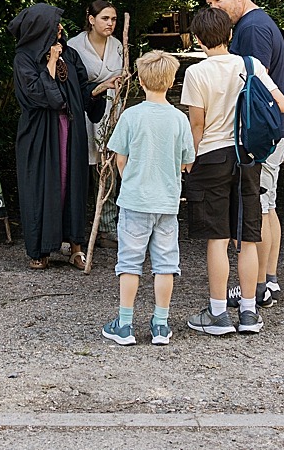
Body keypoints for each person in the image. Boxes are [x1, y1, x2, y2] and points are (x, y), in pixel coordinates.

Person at [179, 6, 284, 335]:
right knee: (247, 239)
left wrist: (188, 158)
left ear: (198, 39)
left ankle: (217, 315)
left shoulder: (197, 74)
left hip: (212, 157)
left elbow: (196, 124)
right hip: (248, 157)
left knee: (218, 239)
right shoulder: (249, 64)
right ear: (230, 34)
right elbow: (280, 104)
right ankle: (250, 313)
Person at [202, 0, 284, 307]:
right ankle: (268, 277)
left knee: (259, 208)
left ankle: (258, 285)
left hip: (262, 133)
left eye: (218, 0)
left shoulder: (252, 28)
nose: (216, 8)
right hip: (270, 130)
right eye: (211, 3)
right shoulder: (254, 23)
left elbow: (255, 86)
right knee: (267, 205)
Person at [100, 50, 195, 347]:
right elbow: (186, 161)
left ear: (140, 80)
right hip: (166, 203)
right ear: (171, 81)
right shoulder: (180, 119)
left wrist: (131, 178)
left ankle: (125, 324)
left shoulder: (131, 116)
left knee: (129, 262)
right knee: (165, 264)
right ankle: (160, 325)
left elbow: (120, 158)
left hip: (135, 200)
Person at [11, 2, 107, 269]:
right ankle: (41, 250)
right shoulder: (25, 59)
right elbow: (39, 96)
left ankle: (75, 246)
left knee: (72, 186)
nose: (61, 28)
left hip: (71, 132)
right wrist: (51, 62)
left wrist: (101, 89)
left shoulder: (71, 54)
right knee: (43, 188)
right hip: (41, 136)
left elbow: (82, 88)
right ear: (42, 29)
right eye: (55, 25)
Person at [68, 0, 128, 166]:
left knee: (112, 161)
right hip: (87, 109)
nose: (110, 23)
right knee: (86, 160)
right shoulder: (74, 46)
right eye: (105, 18)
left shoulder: (118, 46)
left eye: (114, 19)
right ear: (92, 20)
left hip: (112, 107)